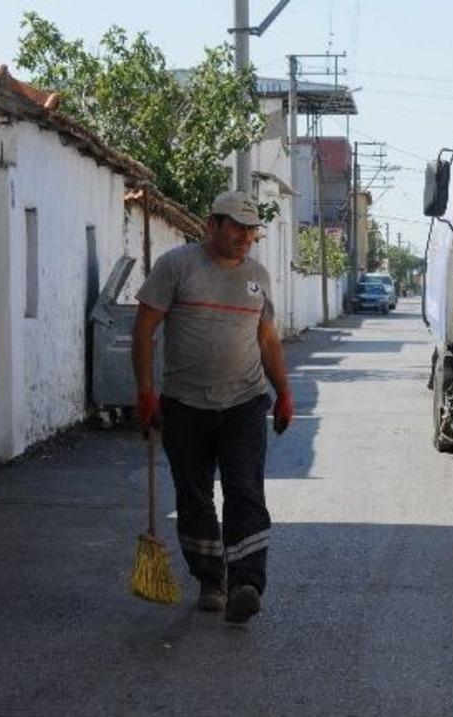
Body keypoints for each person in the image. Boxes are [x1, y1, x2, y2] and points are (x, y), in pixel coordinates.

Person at [132, 190, 293, 624]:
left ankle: (246, 583)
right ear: (212, 225)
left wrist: (284, 392)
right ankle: (210, 578)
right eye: (237, 227)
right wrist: (145, 392)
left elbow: (268, 340)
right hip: (185, 404)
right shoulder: (176, 266)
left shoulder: (257, 276)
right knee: (194, 495)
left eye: (251, 229)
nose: (245, 237)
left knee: (244, 489)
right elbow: (144, 329)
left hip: (245, 400)